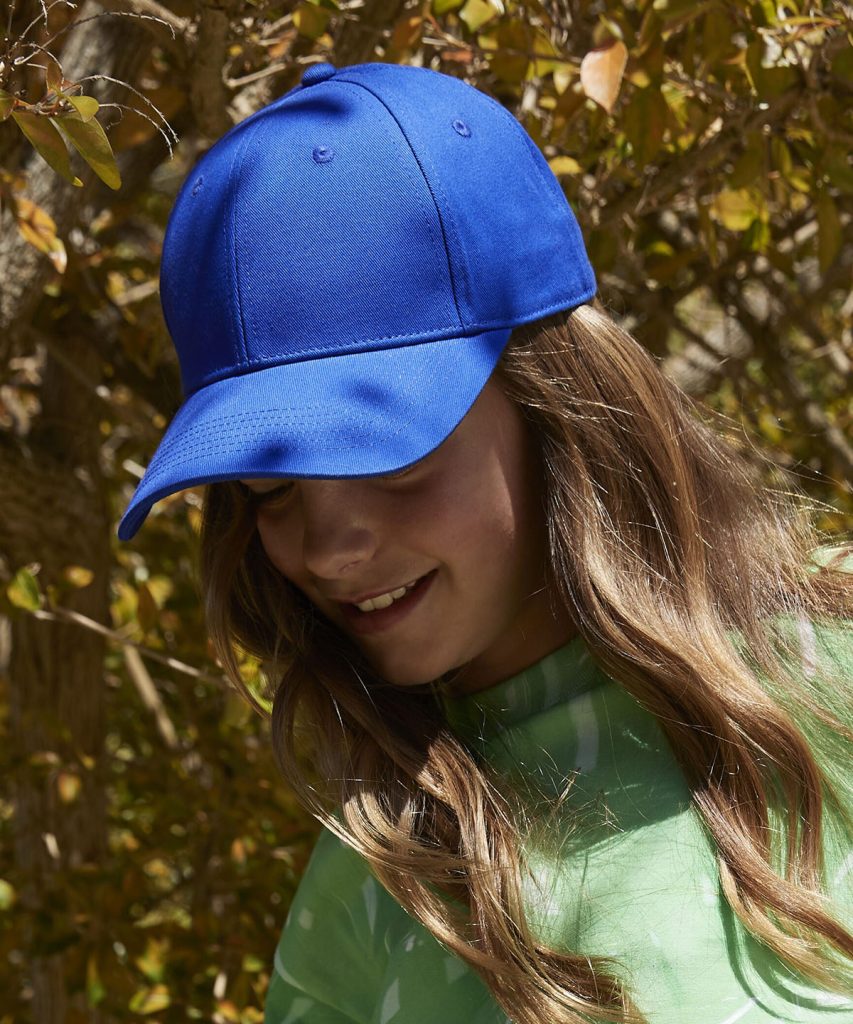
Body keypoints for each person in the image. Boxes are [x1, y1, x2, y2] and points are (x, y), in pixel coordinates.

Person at [118, 61, 853, 1024]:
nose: (328, 550)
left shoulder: (827, 677)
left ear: (555, 404)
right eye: (269, 485)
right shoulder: (376, 892)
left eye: (390, 455)